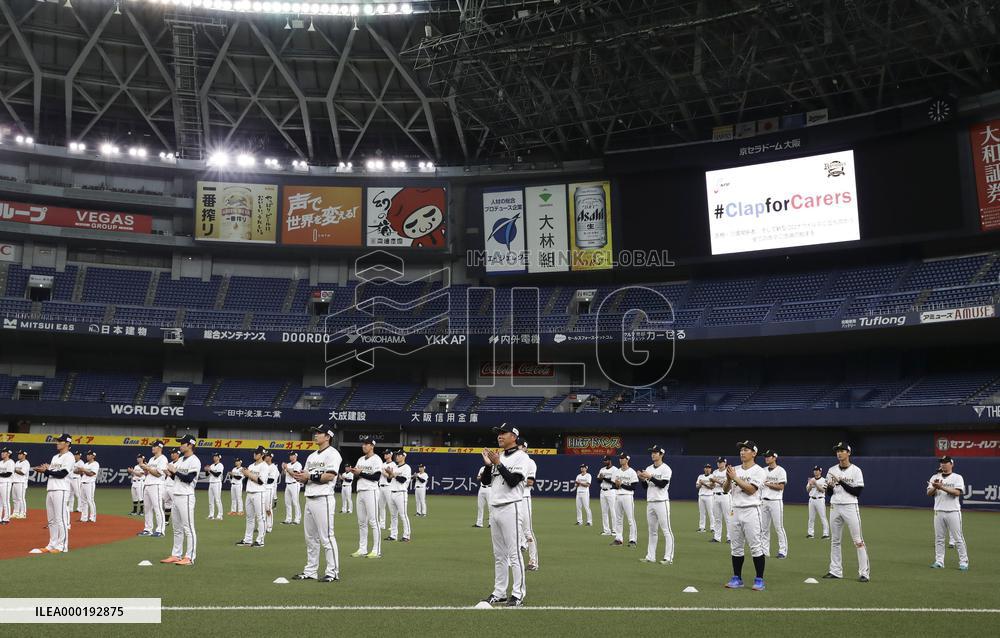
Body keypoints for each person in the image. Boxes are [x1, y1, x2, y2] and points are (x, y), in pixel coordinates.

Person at [479, 423, 529, 607]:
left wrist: (498, 464)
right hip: (495, 508)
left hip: (511, 507)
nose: (499, 436)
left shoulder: (521, 457)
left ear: (514, 437)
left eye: (503, 433)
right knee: (499, 555)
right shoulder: (498, 456)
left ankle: (517, 594)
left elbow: (514, 481)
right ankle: (499, 592)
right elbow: (485, 482)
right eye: (498, 433)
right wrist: (487, 465)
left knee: (514, 554)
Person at [289, 425, 343, 582]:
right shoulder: (311, 456)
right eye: (316, 432)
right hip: (310, 497)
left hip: (323, 498)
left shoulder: (333, 454)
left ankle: (332, 572)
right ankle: (311, 571)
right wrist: (296, 475)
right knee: (310, 538)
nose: (316, 435)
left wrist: (309, 477)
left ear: (328, 437)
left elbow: (330, 476)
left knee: (326, 537)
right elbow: (304, 476)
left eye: (319, 433)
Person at [723, 440, 767, 591]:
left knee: (756, 546)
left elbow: (751, 490)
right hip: (735, 510)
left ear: (754, 453)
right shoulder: (734, 469)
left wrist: (735, 478)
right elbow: (725, 489)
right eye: (741, 449)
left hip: (752, 510)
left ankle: (759, 579)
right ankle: (737, 578)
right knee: (736, 547)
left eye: (746, 449)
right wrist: (729, 479)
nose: (742, 452)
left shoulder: (759, 471)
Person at [824, 442, 870, 582]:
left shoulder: (856, 470)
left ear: (848, 453)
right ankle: (835, 571)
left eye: (842, 450)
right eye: (837, 451)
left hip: (850, 506)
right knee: (835, 541)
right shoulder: (832, 470)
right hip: (835, 506)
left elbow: (857, 492)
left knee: (858, 540)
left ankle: (864, 573)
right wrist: (831, 486)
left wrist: (841, 482)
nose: (839, 453)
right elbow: (829, 493)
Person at [32, 433, 75, 553]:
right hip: (51, 488)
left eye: (60, 441)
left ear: (67, 443)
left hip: (61, 489)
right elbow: (52, 472)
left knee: (60, 519)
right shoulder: (55, 457)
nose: (57, 442)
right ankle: (52, 544)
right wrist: (45, 471)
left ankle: (62, 546)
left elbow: (62, 474)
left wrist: (47, 471)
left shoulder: (69, 456)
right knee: (51, 520)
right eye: (57, 441)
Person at [160, 434, 200, 566]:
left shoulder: (194, 460)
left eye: (182, 443)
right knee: (177, 528)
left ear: (190, 445)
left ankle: (189, 557)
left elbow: (189, 479)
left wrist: (175, 471)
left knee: (188, 528)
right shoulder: (182, 459)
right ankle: (176, 555)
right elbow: (177, 478)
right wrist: (170, 474)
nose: (180, 445)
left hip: (186, 496)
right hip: (176, 495)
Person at [927, 455, 969, 571]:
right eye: (942, 462)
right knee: (939, 539)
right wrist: (935, 487)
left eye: (946, 462)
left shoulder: (957, 477)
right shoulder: (935, 477)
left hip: (953, 511)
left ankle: (964, 561)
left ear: (951, 464)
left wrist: (942, 487)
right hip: (938, 511)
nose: (943, 464)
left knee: (958, 538)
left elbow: (957, 493)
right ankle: (939, 561)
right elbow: (929, 493)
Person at [349, 437, 384, 558]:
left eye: (366, 444)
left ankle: (376, 550)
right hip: (360, 491)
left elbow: (376, 477)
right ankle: (362, 548)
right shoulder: (360, 459)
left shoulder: (376, 459)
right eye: (363, 444)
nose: (363, 446)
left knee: (373, 521)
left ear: (372, 446)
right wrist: (354, 472)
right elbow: (358, 476)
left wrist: (361, 473)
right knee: (361, 522)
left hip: (371, 491)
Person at [638, 445, 674, 565]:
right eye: (652, 452)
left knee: (666, 530)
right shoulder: (649, 468)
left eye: (655, 452)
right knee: (652, 531)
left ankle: (668, 558)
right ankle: (650, 556)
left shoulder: (666, 469)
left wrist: (650, 477)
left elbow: (662, 484)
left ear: (661, 454)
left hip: (662, 502)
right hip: (651, 502)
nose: (653, 454)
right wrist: (642, 479)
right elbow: (645, 486)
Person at [237, 447, 269, 548]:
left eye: (257, 453)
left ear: (262, 455)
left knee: (261, 517)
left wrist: (248, 474)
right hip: (249, 492)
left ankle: (260, 540)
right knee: (249, 518)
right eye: (254, 452)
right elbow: (248, 479)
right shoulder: (251, 465)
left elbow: (260, 481)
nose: (254, 454)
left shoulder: (264, 466)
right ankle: (248, 539)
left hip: (259, 493)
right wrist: (245, 473)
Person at [760, 450, 788, 559]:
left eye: (768, 456)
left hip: (776, 501)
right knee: (764, 528)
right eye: (765, 456)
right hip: (764, 501)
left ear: (774, 458)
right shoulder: (763, 470)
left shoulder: (781, 471)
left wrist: (767, 484)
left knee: (779, 527)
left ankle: (782, 551)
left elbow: (781, 487)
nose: (766, 458)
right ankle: (764, 551)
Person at [138, 441, 168, 538]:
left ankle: (160, 530)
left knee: (157, 507)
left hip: (156, 485)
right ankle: (148, 529)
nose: (152, 447)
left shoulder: (163, 459)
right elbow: (149, 473)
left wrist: (147, 467)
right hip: (148, 484)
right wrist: (145, 469)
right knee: (147, 509)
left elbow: (158, 474)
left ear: (160, 447)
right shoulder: (151, 459)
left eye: (154, 446)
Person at [517, 439, 539, 570]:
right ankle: (512, 560)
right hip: (512, 499)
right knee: (512, 532)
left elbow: (530, 482)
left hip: (524, 498)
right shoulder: (512, 461)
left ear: (525, 448)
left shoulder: (530, 462)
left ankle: (533, 561)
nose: (518, 448)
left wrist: (513, 482)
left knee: (527, 531)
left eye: (520, 446)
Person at [384, 449, 412, 542]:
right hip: (392, 492)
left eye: (399, 455)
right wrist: (389, 475)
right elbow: (389, 480)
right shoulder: (395, 467)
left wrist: (393, 474)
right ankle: (393, 535)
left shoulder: (406, 467)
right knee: (393, 516)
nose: (397, 456)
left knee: (403, 515)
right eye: (396, 455)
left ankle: (406, 535)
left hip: (401, 493)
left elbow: (403, 480)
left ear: (404, 456)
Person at [611, 452, 638, 548]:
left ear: (627, 460)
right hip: (618, 496)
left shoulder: (632, 472)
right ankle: (618, 539)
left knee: (630, 519)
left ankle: (632, 540)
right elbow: (613, 485)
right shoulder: (616, 472)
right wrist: (617, 485)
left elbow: (633, 487)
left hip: (628, 496)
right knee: (618, 519)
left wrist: (621, 484)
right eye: (620, 458)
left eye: (623, 458)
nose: (621, 459)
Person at [709, 457, 730, 543]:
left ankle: (730, 538)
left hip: (725, 495)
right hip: (716, 495)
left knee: (728, 518)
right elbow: (712, 486)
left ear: (725, 463)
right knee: (717, 518)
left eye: (721, 462)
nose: (719, 463)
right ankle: (717, 537)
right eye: (718, 462)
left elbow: (726, 485)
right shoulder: (715, 472)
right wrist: (712, 482)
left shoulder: (728, 472)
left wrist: (716, 480)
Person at [806, 465, 830, 539]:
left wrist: (815, 484)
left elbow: (823, 490)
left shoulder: (824, 480)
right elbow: (807, 490)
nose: (815, 471)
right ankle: (810, 533)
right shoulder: (811, 479)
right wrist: (810, 484)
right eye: (814, 470)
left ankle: (826, 534)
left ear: (820, 471)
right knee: (811, 518)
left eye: (817, 470)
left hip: (820, 499)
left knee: (823, 517)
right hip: (812, 499)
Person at [596, 455, 616, 536]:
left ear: (610, 460)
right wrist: (600, 478)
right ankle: (606, 530)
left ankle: (614, 530)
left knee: (613, 511)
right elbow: (598, 480)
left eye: (606, 460)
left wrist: (603, 478)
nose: (604, 462)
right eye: (604, 460)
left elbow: (614, 482)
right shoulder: (602, 469)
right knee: (604, 512)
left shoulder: (615, 469)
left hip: (611, 491)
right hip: (603, 491)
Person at [78, 450, 99, 523]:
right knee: (83, 501)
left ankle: (92, 518)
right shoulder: (86, 464)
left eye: (89, 455)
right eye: (87, 454)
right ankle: (84, 518)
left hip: (90, 484)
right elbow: (79, 472)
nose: (87, 456)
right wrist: (79, 470)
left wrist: (83, 470)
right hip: (83, 483)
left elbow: (91, 474)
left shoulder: (95, 464)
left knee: (90, 500)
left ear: (93, 456)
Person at [282, 452, 303, 525]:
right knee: (287, 502)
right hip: (288, 484)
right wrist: (283, 468)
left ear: (296, 456)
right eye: (290, 455)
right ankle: (288, 519)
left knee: (295, 502)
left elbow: (294, 474)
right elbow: (284, 474)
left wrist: (286, 468)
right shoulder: (288, 464)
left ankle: (297, 519)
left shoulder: (298, 464)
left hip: (295, 484)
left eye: (292, 455)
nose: (291, 456)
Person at [162, 448, 180, 525]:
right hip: (167, 485)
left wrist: (170, 472)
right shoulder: (169, 463)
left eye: (174, 453)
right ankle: (166, 521)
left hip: (174, 486)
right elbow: (167, 475)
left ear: (178, 454)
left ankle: (179, 520)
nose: (172, 454)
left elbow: (177, 475)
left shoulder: (180, 463)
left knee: (176, 504)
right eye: (171, 453)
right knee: (166, 503)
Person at [696, 463, 715, 532]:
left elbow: (712, 487)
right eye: (706, 468)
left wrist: (703, 483)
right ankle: (702, 527)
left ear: (710, 469)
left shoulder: (712, 476)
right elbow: (697, 487)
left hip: (709, 496)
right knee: (702, 512)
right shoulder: (700, 476)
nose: (707, 469)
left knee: (711, 512)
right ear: (704, 469)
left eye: (709, 468)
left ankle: (713, 528)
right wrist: (700, 484)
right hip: (701, 496)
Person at [263, 451, 279, 533]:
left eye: (267, 456)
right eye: (265, 455)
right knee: (262, 509)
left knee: (268, 508)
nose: (266, 457)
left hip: (269, 489)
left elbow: (271, 480)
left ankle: (269, 527)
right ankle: (262, 526)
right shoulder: (263, 466)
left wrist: (260, 479)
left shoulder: (273, 467)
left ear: (270, 457)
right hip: (262, 489)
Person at [205, 453, 224, 521]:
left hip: (217, 483)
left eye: (216, 456)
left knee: (217, 500)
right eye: (214, 456)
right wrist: (207, 470)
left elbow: (217, 475)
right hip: (211, 483)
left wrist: (210, 470)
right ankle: (211, 515)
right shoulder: (212, 465)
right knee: (210, 500)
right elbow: (207, 475)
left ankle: (220, 515)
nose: (214, 457)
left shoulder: (220, 465)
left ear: (219, 457)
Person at [377, 449, 393, 529]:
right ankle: (382, 524)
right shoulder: (382, 464)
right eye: (385, 454)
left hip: (389, 486)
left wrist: (384, 472)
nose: (385, 455)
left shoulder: (393, 464)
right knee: (381, 507)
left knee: (391, 507)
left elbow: (391, 476)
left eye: (387, 454)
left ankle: (392, 525)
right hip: (381, 486)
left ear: (390, 455)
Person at [12, 450, 30, 519]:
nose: (18, 455)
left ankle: (23, 513)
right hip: (15, 482)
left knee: (21, 498)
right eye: (18, 454)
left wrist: (14, 469)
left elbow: (22, 472)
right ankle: (16, 513)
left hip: (21, 483)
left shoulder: (26, 463)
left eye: (20, 454)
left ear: (24, 455)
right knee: (14, 499)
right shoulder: (17, 462)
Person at [68, 450, 83, 519]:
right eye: (75, 455)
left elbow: (81, 471)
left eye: (77, 455)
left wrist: (77, 471)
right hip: (70, 479)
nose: (76, 456)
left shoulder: (81, 463)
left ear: (80, 456)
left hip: (76, 479)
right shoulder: (73, 461)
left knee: (78, 494)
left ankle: (80, 508)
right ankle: (70, 508)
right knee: (70, 494)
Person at [0, 448, 13, 524]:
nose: (2, 453)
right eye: (2, 452)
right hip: (0, 482)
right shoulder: (1, 462)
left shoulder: (10, 462)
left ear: (8, 454)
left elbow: (8, 474)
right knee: (0, 502)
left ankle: (6, 518)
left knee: (5, 501)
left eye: (4, 452)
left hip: (6, 483)